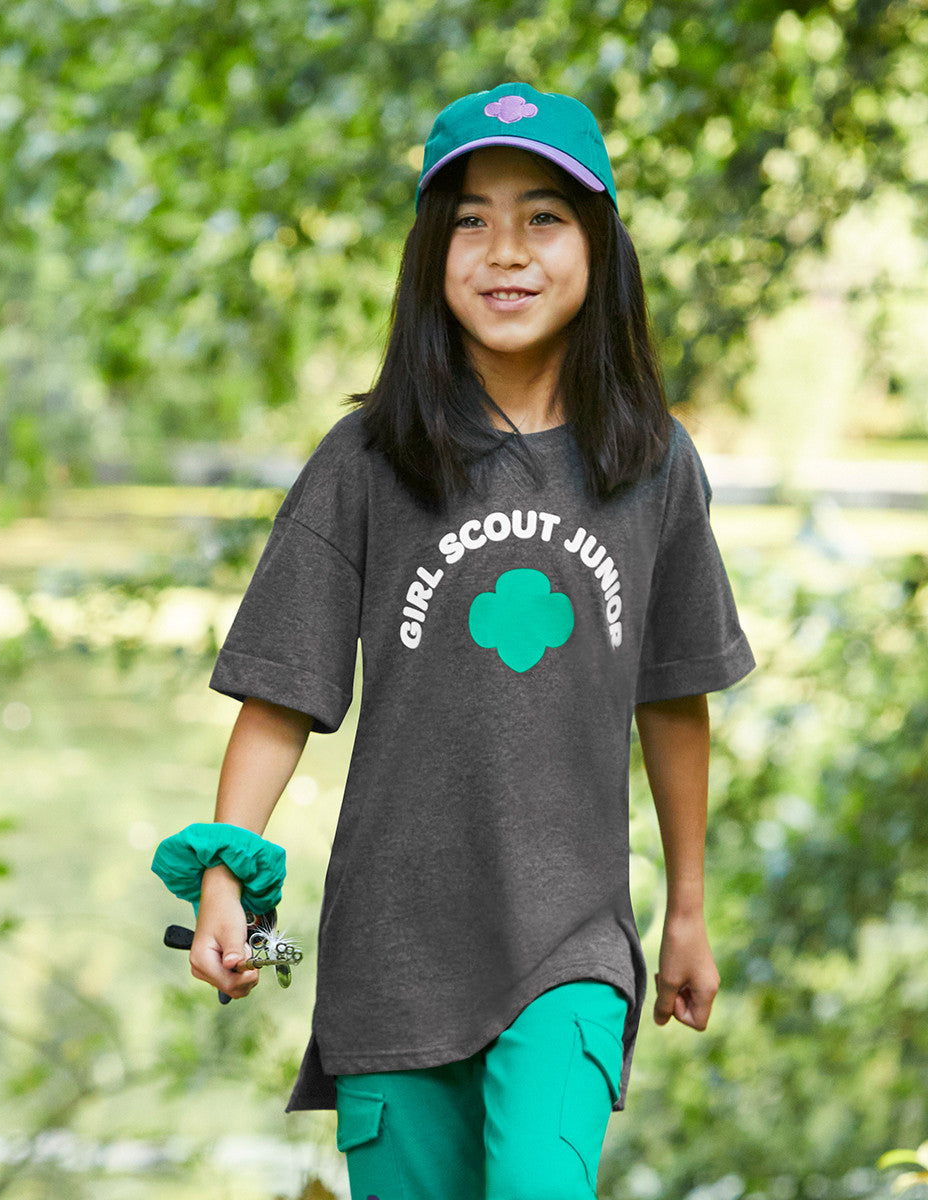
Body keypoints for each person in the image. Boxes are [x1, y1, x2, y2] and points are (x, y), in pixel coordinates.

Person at [187, 82, 755, 1200]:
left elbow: (675, 696)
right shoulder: (367, 461)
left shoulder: (652, 465)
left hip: (571, 948)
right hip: (391, 957)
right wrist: (224, 877)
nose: (506, 250)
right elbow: (280, 693)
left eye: (543, 217)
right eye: (470, 220)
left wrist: (687, 911)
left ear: (599, 246)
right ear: (429, 258)